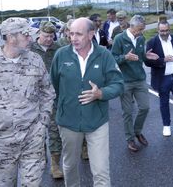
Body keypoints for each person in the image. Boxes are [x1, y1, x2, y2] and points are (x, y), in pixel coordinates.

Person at [0, 17, 54, 186]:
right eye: (26, 35)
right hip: (1, 141)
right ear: (12, 37)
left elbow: (47, 92)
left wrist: (43, 121)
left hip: (32, 138)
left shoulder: (35, 60)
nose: (30, 38)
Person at [50, 18, 124, 187]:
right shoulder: (61, 55)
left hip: (97, 122)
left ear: (91, 34)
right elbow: (53, 86)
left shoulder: (104, 55)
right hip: (68, 123)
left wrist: (101, 93)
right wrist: (61, 108)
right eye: (71, 33)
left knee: (101, 170)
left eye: (78, 34)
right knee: (70, 167)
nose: (73, 38)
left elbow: (118, 84)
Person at [112, 15, 159, 152]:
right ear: (131, 27)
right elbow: (113, 58)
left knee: (145, 107)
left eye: (142, 30)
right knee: (127, 112)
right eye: (139, 29)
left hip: (139, 80)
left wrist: (147, 56)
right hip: (125, 81)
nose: (141, 32)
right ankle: (130, 139)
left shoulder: (141, 38)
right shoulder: (119, 39)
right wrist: (125, 57)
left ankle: (137, 131)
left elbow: (141, 57)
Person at [30, 21, 64, 179]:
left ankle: (55, 164)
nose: (49, 39)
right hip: (33, 98)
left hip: (53, 96)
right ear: (39, 34)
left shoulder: (58, 49)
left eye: (51, 36)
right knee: (37, 131)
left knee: (55, 130)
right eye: (46, 36)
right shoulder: (29, 49)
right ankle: (41, 157)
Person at [145, 21, 173, 137]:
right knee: (164, 102)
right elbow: (147, 61)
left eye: (166, 30)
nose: (164, 33)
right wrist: (162, 60)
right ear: (158, 30)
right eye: (162, 31)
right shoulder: (152, 42)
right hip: (162, 78)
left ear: (169, 29)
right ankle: (166, 126)